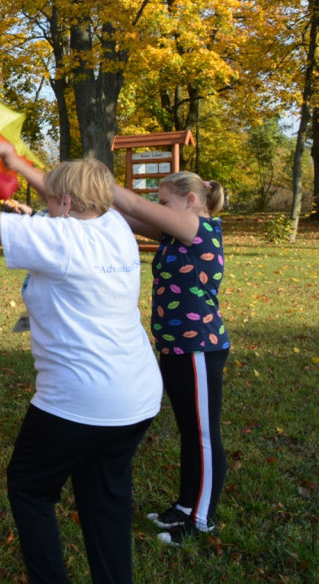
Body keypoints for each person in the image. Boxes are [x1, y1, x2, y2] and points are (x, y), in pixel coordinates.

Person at [0, 143, 162, 584]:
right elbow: (65, 193)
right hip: (136, 396)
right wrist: (18, 166)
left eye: (52, 199)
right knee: (103, 498)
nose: (46, 204)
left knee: (29, 487)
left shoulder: (62, 238)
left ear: (67, 203)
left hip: (81, 400)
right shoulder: (113, 224)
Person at [112, 172, 229, 545]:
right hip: (177, 347)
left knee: (203, 436)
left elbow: (132, 204)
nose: (159, 210)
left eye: (164, 203)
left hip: (199, 348)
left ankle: (200, 520)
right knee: (190, 433)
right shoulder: (175, 234)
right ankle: (184, 506)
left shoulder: (199, 228)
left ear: (191, 200)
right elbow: (125, 216)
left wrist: (93, 179)